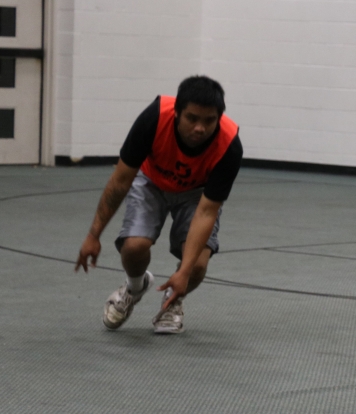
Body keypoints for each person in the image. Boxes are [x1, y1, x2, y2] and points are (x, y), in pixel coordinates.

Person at [75, 76, 243, 334]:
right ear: (177, 113)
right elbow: (120, 181)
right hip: (151, 181)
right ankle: (134, 287)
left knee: (197, 265)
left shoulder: (229, 145)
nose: (200, 128)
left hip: (196, 193)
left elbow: (207, 210)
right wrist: (93, 235)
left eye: (209, 121)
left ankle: (173, 302)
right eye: (192, 118)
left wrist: (184, 271)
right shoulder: (154, 118)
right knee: (133, 247)